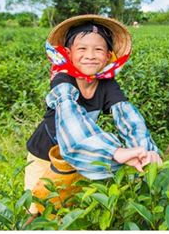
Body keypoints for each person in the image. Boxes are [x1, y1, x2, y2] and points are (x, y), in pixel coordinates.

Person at [25, 15, 161, 214]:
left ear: (108, 56)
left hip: (77, 157)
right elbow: (71, 120)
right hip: (43, 155)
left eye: (98, 49)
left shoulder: (107, 84)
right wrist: (115, 151)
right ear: (68, 53)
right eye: (82, 49)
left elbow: (128, 117)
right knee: (35, 208)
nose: (90, 55)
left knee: (67, 207)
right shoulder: (63, 81)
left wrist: (145, 151)